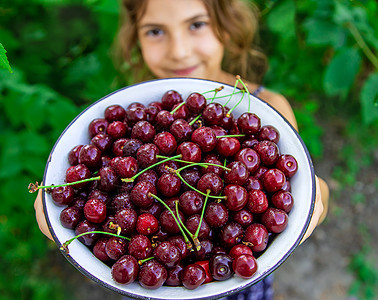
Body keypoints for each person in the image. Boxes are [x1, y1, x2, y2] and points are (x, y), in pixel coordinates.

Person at [34, 0, 330, 298]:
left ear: (226, 27)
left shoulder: (269, 107)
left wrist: (317, 198)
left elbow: (312, 188)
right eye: (155, 31)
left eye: (196, 24)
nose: (179, 50)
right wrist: (57, 199)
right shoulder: (147, 109)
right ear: (135, 37)